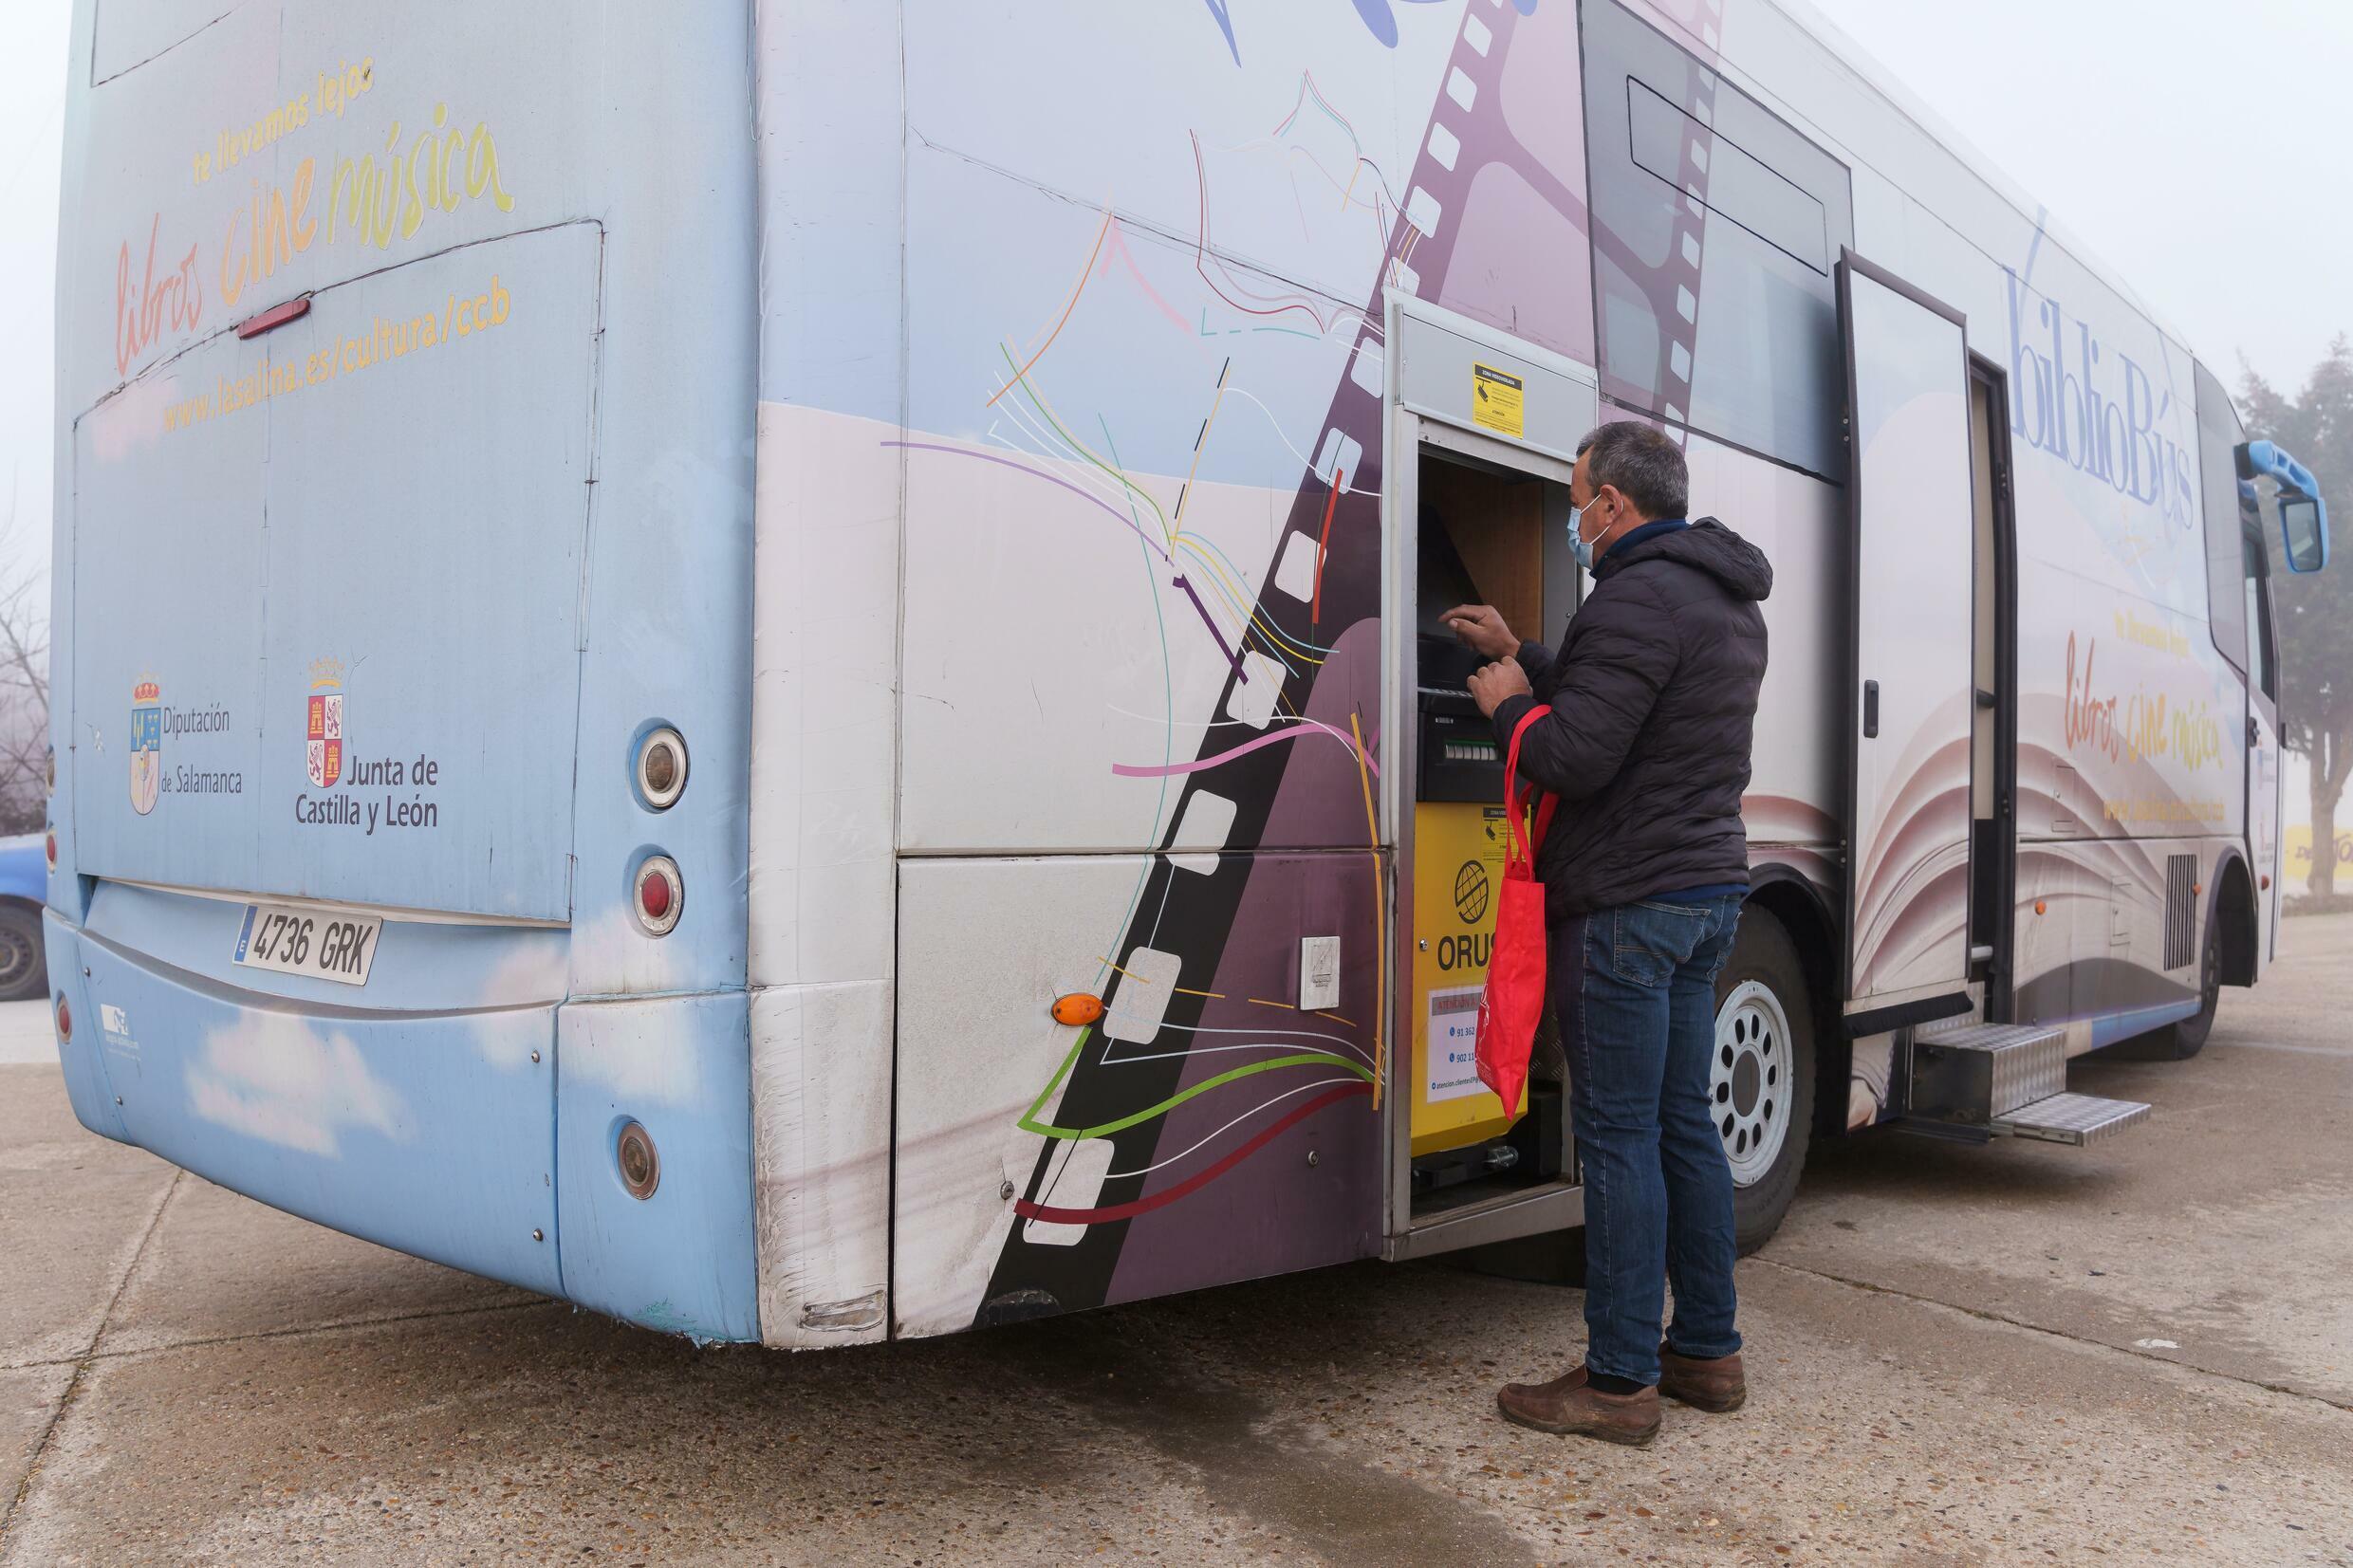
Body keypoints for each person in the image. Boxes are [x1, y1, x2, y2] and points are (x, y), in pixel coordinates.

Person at [1441, 420, 1771, 1448]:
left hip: (1630, 901)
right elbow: (1632, 703)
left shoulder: (1632, 597)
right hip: (1704, 892)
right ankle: (1704, 1352)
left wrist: (1506, 707)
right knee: (1683, 1124)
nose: (1571, 516)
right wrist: (1526, 653)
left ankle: (1620, 1380)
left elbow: (1578, 754)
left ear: (1615, 505)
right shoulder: (1718, 597)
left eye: (1576, 497)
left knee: (1619, 1137)